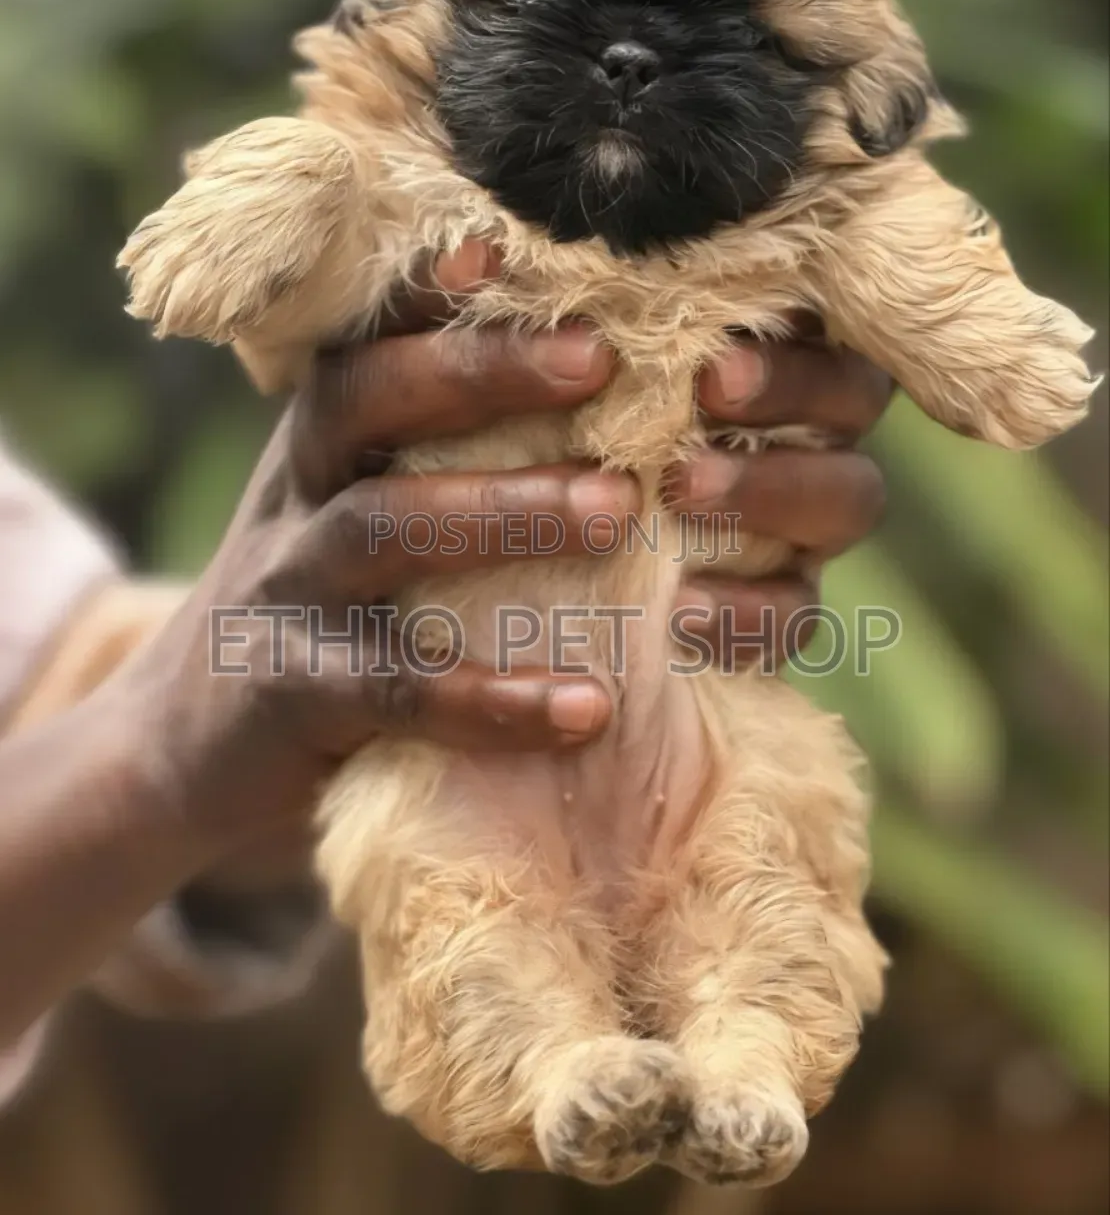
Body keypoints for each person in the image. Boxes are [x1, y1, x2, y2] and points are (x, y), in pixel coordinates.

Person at [0, 242, 891, 1215]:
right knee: (497, 938)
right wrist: (156, 748)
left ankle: (740, 1050)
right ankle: (561, 1061)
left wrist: (228, 725)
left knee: (744, 881)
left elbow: (52, 689)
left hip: (625, 710)